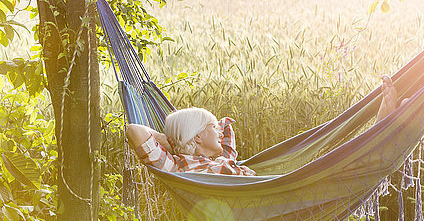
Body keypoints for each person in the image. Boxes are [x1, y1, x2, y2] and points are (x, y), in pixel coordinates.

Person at [126, 75, 401, 176]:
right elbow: (134, 131)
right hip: (274, 194)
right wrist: (171, 141)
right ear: (196, 137)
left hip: (274, 187)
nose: (218, 130)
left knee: (328, 158)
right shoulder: (178, 167)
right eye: (211, 127)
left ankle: (381, 125)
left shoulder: (225, 157)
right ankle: (384, 124)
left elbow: (225, 134)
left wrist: (196, 134)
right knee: (339, 171)